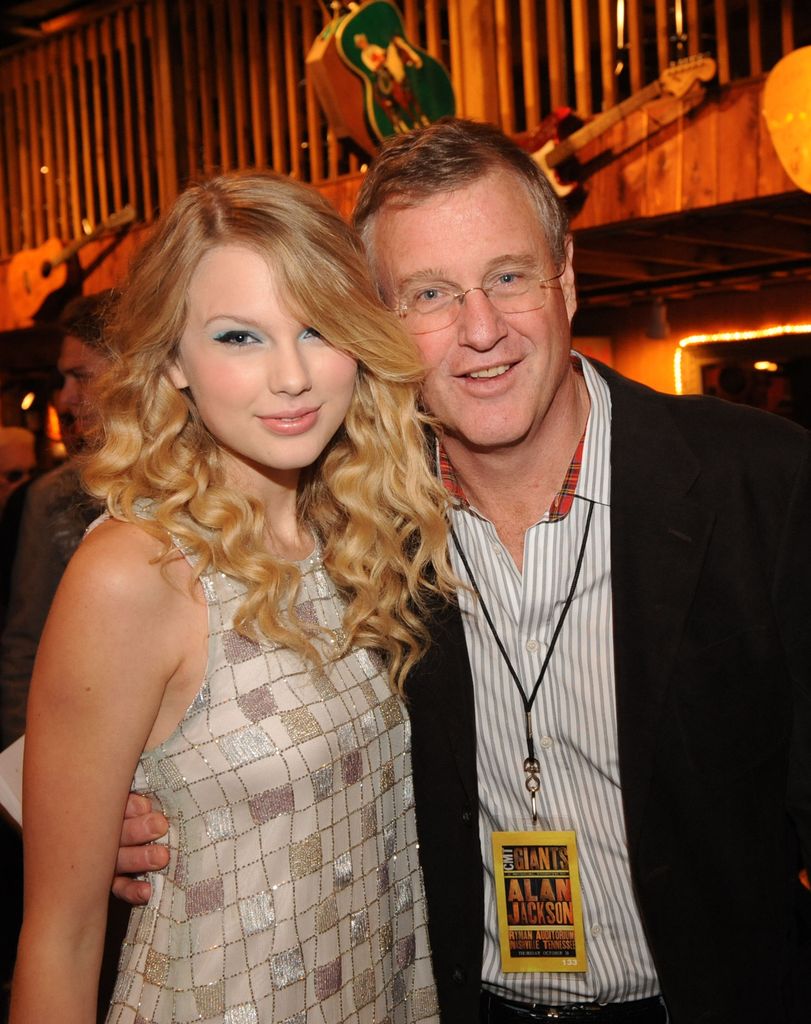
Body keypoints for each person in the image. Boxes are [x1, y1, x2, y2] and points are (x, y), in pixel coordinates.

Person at [113, 119, 811, 1024]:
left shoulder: (760, 481)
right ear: (379, 320)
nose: (480, 330)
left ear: (565, 280)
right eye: (430, 294)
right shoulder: (346, 517)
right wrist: (130, 814)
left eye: (508, 278)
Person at [11, 171, 456, 1023]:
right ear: (173, 359)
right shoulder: (135, 573)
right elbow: (58, 939)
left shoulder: (356, 533)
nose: (291, 376)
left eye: (318, 328)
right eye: (239, 337)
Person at [0, 292, 111, 747]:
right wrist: (23, 779)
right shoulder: (54, 497)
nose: (65, 398)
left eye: (80, 376)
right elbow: (25, 647)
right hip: (83, 750)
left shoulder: (212, 483)